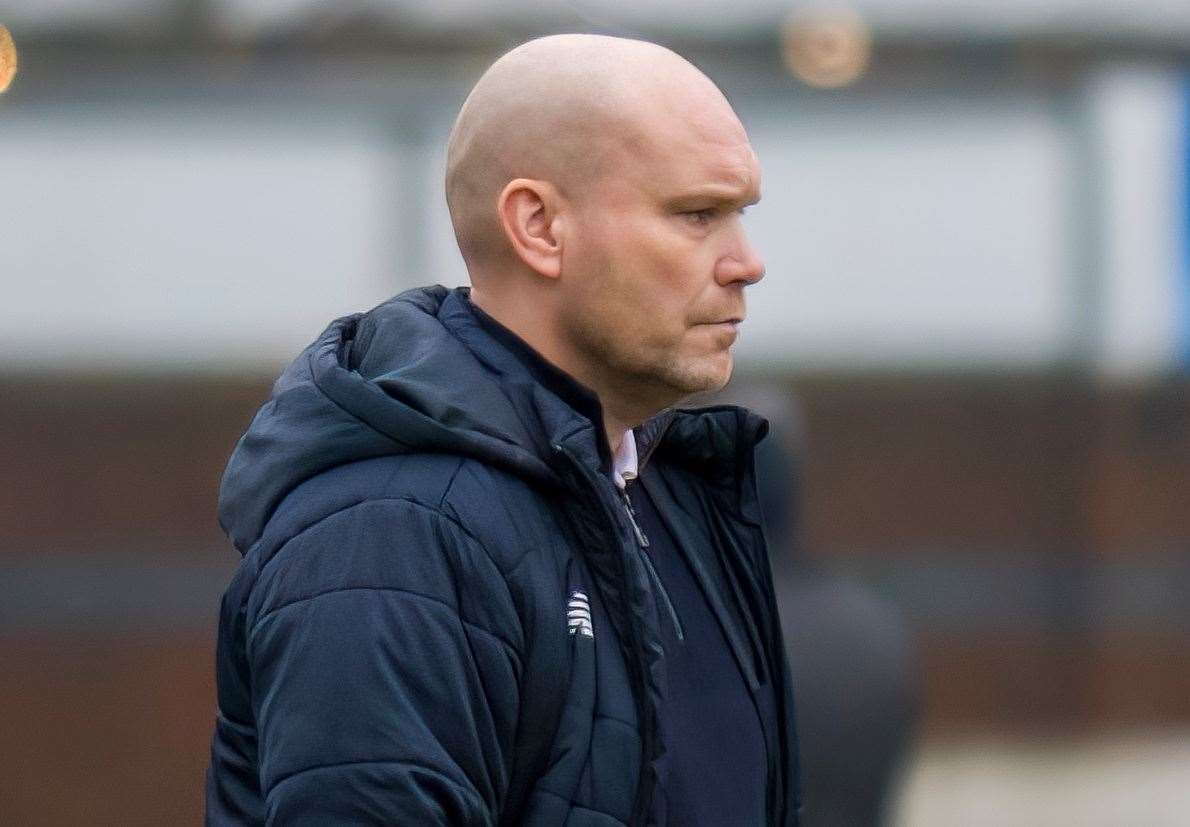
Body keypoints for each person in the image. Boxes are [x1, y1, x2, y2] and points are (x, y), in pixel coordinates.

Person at [206, 33, 799, 826]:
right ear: (539, 226)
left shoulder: (675, 500)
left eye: (740, 214)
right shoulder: (389, 534)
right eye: (697, 214)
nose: (746, 262)